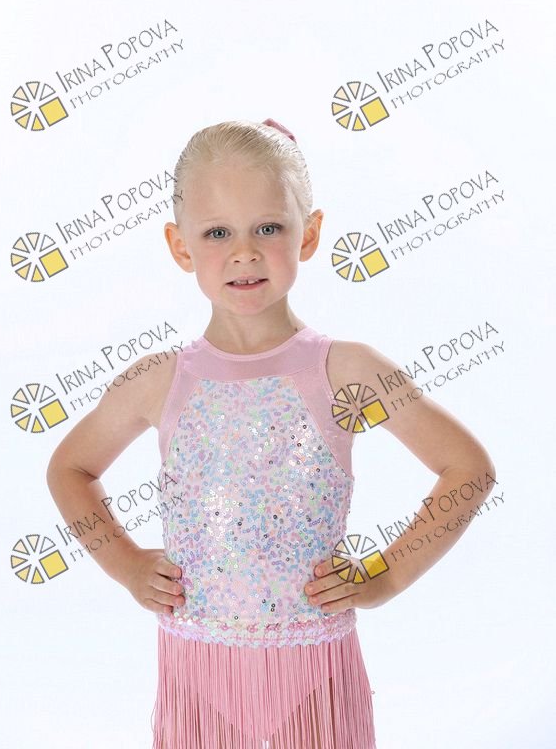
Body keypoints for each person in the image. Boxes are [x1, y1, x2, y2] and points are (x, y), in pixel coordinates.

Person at [46, 118, 496, 748]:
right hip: (197, 670)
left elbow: (467, 469)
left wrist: (387, 574)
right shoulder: (158, 380)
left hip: (315, 669)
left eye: (268, 228)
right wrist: (125, 564)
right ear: (180, 246)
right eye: (217, 233)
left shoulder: (346, 371)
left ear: (308, 233)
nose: (244, 252)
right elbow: (70, 469)